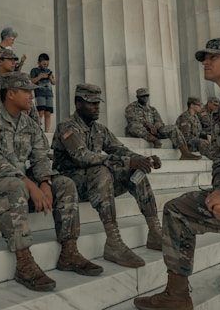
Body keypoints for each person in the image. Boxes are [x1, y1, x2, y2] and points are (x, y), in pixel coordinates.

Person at [0, 72, 102, 292]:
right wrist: (30, 185)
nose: (32, 96)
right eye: (27, 91)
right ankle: (24, 262)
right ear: (10, 94)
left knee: (65, 184)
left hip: (20, 188)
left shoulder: (30, 123)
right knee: (14, 184)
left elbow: (40, 157)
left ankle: (69, 251)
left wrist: (45, 183)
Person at [134, 37, 220, 310]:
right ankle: (177, 295)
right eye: (205, 57)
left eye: (214, 56)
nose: (206, 62)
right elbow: (219, 158)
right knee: (177, 210)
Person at [52, 83, 163, 269]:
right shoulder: (67, 127)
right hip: (71, 183)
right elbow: (83, 157)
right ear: (78, 104)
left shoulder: (99, 129)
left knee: (136, 171)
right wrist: (127, 162)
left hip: (96, 184)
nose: (97, 107)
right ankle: (113, 241)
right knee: (101, 170)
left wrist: (144, 159)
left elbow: (121, 150)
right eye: (91, 103)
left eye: (98, 103)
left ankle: (155, 231)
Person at [125, 88, 201, 160]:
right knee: (133, 126)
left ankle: (185, 152)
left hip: (154, 131)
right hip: (142, 131)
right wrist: (148, 125)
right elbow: (133, 120)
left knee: (173, 128)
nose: (145, 98)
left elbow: (159, 121)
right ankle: (153, 139)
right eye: (142, 96)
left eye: (147, 96)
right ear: (137, 97)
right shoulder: (131, 107)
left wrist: (156, 126)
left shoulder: (152, 109)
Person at [30, 53, 56, 132]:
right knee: (40, 112)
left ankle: (47, 131)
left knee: (48, 113)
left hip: (49, 94)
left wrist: (51, 78)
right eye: (44, 64)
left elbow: (54, 83)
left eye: (47, 64)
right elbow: (31, 81)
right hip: (40, 94)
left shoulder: (48, 71)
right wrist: (40, 76)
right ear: (39, 62)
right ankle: (38, 130)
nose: (45, 66)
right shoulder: (34, 70)